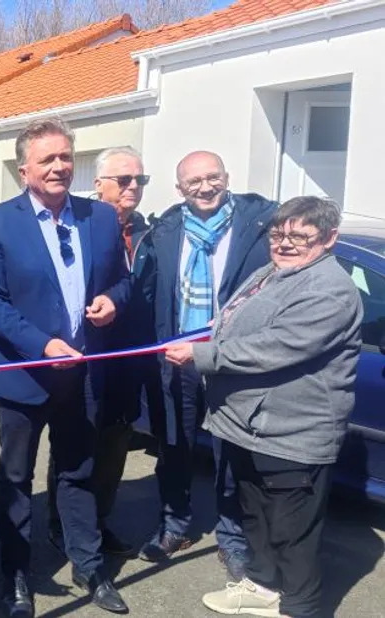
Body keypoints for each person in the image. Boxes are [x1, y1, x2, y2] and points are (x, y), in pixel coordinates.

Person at [163, 196, 361, 618]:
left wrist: (202, 355)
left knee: (293, 533)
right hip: (249, 426)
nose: (285, 243)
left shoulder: (330, 289)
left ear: (329, 239)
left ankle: (300, 608)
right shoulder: (272, 272)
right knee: (256, 516)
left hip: (292, 433)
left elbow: (277, 347)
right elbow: (230, 318)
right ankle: (262, 587)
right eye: (278, 233)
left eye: (299, 236)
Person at [0, 118, 130, 617]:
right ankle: (16, 574)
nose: (60, 166)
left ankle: (88, 563)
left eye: (66, 157)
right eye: (48, 159)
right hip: (24, 375)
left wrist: (112, 300)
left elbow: (123, 282)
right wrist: (42, 345)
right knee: (16, 477)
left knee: (78, 472)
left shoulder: (99, 218)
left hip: (83, 376)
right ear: (24, 170)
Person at [135, 151, 276, 581]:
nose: (205, 187)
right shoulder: (166, 230)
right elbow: (144, 290)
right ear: (180, 189)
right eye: (193, 181)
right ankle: (174, 524)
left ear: (227, 177)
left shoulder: (260, 224)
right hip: (178, 359)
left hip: (231, 362)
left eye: (212, 177)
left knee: (230, 455)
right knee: (174, 447)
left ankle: (233, 537)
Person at [47, 145, 153, 556]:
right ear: (99, 184)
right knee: (75, 444)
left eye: (140, 180)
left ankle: (99, 519)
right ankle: (64, 523)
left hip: (129, 360)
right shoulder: (79, 223)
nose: (133, 188)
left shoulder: (149, 232)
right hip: (84, 355)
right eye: (123, 180)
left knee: (113, 445)